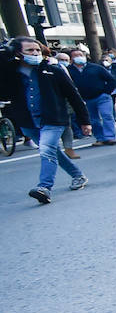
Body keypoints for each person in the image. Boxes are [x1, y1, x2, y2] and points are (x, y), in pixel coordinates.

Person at [0, 37, 91, 202]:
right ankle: (78, 175)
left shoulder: (53, 71)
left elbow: (74, 96)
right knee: (53, 151)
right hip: (28, 122)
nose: (35, 53)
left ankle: (44, 187)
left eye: (37, 50)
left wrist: (85, 121)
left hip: (53, 119)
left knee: (47, 149)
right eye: (30, 50)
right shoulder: (10, 73)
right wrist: (4, 54)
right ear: (17, 53)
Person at [68, 47, 116, 146]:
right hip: (85, 99)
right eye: (76, 56)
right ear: (71, 59)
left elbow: (111, 79)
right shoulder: (69, 71)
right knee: (93, 120)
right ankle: (100, 138)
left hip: (102, 96)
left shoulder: (96, 67)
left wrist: (107, 92)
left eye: (81, 55)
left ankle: (110, 137)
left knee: (107, 115)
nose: (79, 57)